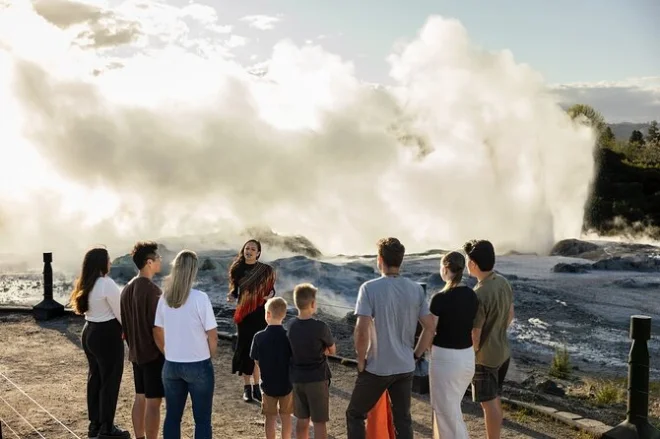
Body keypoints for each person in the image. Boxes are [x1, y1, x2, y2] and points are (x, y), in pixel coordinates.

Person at [346, 237, 436, 439]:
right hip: (405, 366)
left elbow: (361, 330)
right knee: (402, 419)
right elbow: (430, 327)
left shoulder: (369, 288)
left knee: (355, 414)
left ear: (380, 259)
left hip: (378, 367)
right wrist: (416, 355)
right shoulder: (415, 289)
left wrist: (360, 360)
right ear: (400, 260)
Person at [154, 250, 218, 439]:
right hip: (198, 363)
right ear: (193, 271)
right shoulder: (200, 298)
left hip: (172, 364)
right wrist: (210, 355)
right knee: (202, 420)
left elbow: (157, 330)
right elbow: (212, 335)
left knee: (172, 417)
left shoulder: (165, 298)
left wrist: (167, 352)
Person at [69, 247, 130, 439]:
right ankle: (107, 428)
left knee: (95, 378)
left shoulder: (86, 283)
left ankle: (95, 424)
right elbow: (121, 313)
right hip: (107, 334)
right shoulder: (106, 283)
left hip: (89, 331)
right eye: (108, 259)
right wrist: (129, 332)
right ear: (101, 263)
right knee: (110, 380)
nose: (110, 262)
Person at [424, 251, 478, 439]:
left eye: (441, 266)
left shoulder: (440, 298)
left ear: (446, 269)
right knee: (451, 409)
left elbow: (430, 330)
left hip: (446, 360)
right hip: (467, 358)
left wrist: (419, 352)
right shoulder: (472, 295)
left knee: (446, 412)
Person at [464, 240, 514, 439]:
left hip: (485, 358)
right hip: (503, 352)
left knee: (488, 404)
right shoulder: (502, 281)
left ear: (473, 264)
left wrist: (471, 354)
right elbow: (510, 314)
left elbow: (475, 333)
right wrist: (497, 331)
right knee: (495, 398)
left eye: (468, 260)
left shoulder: (478, 294)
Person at [120, 242, 164, 439]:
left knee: (140, 397)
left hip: (136, 353)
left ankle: (139, 437)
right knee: (154, 402)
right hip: (153, 354)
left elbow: (125, 325)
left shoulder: (127, 288)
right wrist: (167, 352)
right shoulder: (152, 290)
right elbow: (157, 328)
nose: (161, 260)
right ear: (149, 262)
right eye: (158, 258)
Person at [226, 239, 276, 402]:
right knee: (245, 350)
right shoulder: (237, 268)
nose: (249, 251)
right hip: (244, 316)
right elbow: (235, 290)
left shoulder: (265, 270)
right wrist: (231, 296)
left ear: (258, 253)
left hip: (260, 313)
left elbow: (271, 290)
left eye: (253, 249)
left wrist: (271, 295)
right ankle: (247, 388)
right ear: (243, 250)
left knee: (258, 352)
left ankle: (257, 387)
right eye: (247, 248)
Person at [287, 283, 335, 439]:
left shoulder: (290, 325)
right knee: (319, 422)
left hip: (297, 378)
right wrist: (323, 350)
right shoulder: (321, 327)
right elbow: (332, 350)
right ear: (313, 304)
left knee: (302, 420)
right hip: (317, 379)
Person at [249, 297, 294, 439]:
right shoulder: (289, 336)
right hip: (287, 383)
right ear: (284, 315)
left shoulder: (258, 337)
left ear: (267, 314)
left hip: (268, 384)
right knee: (286, 417)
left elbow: (256, 360)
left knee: (270, 418)